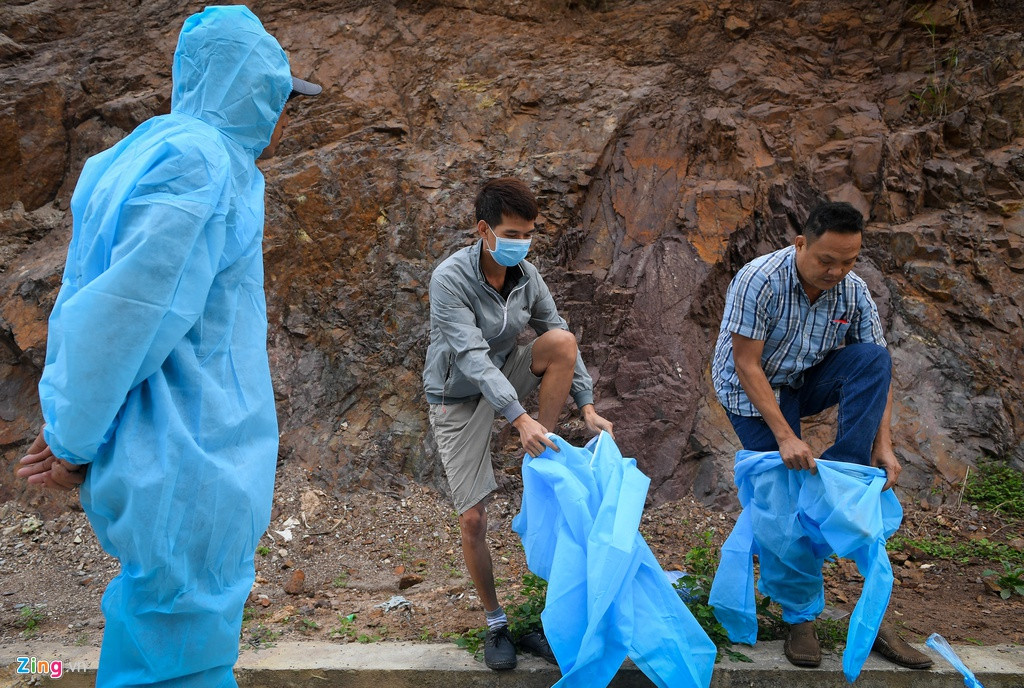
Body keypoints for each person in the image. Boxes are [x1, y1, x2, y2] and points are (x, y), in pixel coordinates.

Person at [16, 6, 320, 686]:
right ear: (250, 83)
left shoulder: (142, 154)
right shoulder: (199, 162)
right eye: (276, 92)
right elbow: (126, 314)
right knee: (177, 658)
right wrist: (70, 443)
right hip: (191, 459)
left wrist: (72, 426)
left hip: (169, 454)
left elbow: (87, 302)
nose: (280, 112)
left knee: (159, 651)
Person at [710, 201, 932, 670]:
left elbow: (877, 372)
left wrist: (882, 446)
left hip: (805, 378)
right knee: (783, 495)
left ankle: (845, 480)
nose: (836, 271)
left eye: (848, 261)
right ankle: (800, 617)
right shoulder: (759, 280)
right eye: (826, 260)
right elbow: (746, 364)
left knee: (873, 361)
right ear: (801, 244)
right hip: (751, 389)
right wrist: (785, 437)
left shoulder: (853, 291)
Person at [422, 178, 614, 670]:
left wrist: (587, 406)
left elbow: (557, 332)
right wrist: (518, 416)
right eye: (512, 234)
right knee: (473, 518)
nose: (521, 244)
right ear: (483, 230)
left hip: (506, 376)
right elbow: (471, 357)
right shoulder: (449, 279)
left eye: (528, 234)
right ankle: (495, 623)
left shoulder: (528, 276)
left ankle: (539, 454)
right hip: (456, 395)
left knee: (561, 343)